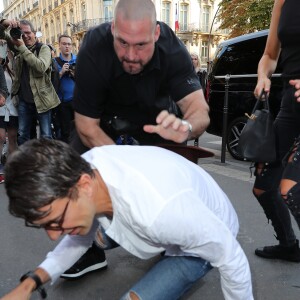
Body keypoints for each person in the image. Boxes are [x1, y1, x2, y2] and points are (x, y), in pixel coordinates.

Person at [2, 139, 253, 300]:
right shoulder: (84, 168)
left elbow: (232, 258)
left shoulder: (160, 212)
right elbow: (76, 242)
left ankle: (168, 252)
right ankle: (118, 237)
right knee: (93, 235)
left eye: (56, 221)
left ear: (85, 185)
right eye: (45, 225)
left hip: (207, 228)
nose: (54, 235)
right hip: (162, 208)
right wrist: (29, 284)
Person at [67, 0, 210, 278]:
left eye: (142, 45)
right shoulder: (94, 47)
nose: (131, 55)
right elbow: (85, 126)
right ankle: (89, 251)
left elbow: (200, 112)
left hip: (154, 123)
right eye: (122, 43)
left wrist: (186, 127)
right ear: (112, 30)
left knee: (168, 180)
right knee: (76, 173)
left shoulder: (172, 48)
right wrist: (128, 173)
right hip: (103, 122)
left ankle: (169, 238)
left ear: (156, 34)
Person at [252, 0, 300, 262]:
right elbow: (270, 56)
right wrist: (263, 75)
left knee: (292, 190)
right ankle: (288, 245)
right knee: (264, 185)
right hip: (289, 105)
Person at [0, 19, 60, 145]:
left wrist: (21, 47)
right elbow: (1, 33)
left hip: (43, 101)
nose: (25, 36)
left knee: (46, 136)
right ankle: (26, 163)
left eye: (28, 32)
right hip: (24, 101)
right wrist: (5, 23)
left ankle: (46, 163)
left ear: (34, 33)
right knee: (23, 136)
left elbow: (40, 67)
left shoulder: (43, 48)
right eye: (22, 33)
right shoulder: (18, 47)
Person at [0, 42, 18, 184]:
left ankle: (11, 169)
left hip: (12, 108)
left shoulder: (11, 69)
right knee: (0, 137)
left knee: (12, 137)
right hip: (0, 108)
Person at [54, 35, 76, 143]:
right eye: (64, 44)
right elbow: (51, 82)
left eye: (69, 44)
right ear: (59, 46)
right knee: (66, 133)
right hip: (63, 103)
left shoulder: (78, 60)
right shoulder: (55, 62)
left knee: (80, 130)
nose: (67, 46)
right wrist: (61, 72)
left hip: (78, 101)